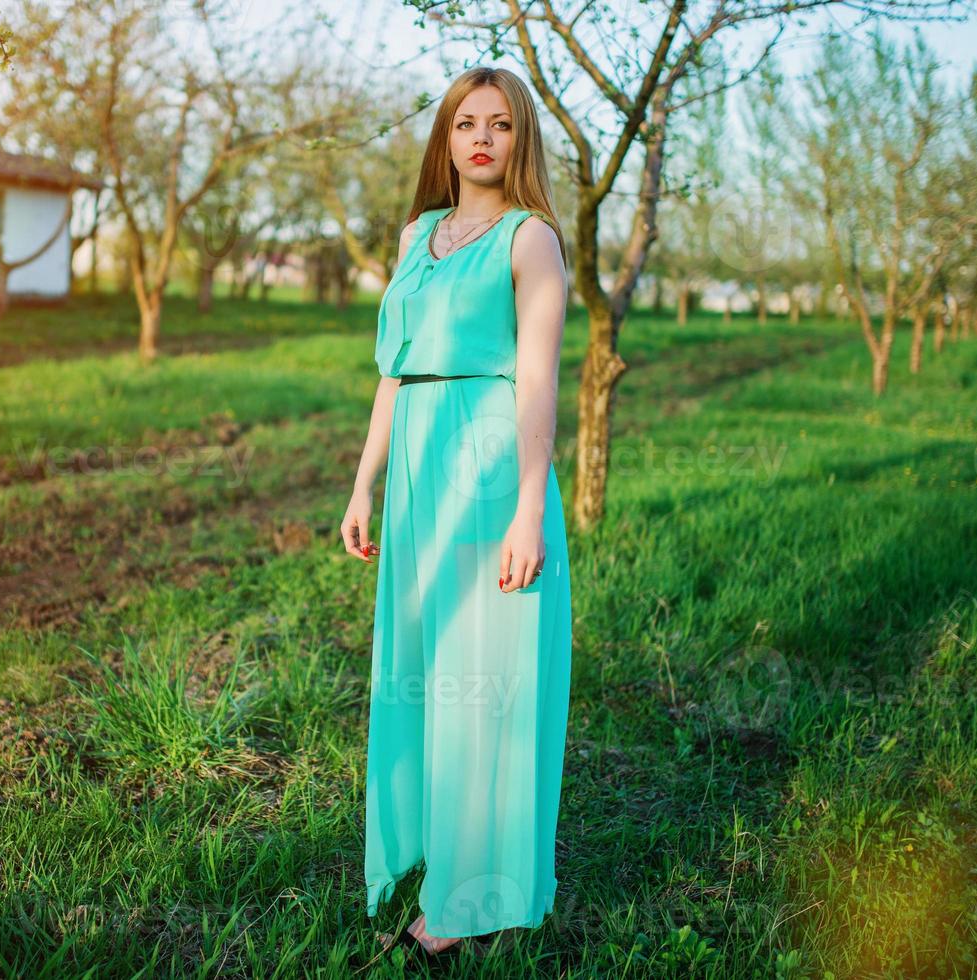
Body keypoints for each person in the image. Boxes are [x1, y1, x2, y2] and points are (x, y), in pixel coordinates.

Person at [340, 65, 573, 961]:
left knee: (485, 680)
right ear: (445, 139)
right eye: (466, 123)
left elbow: (539, 380)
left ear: (521, 141)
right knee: (423, 666)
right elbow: (394, 372)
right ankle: (424, 841)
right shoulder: (417, 235)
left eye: (501, 124)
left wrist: (526, 510)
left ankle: (467, 901)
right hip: (414, 473)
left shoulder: (530, 240)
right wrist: (364, 484)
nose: (482, 137)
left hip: (486, 465)